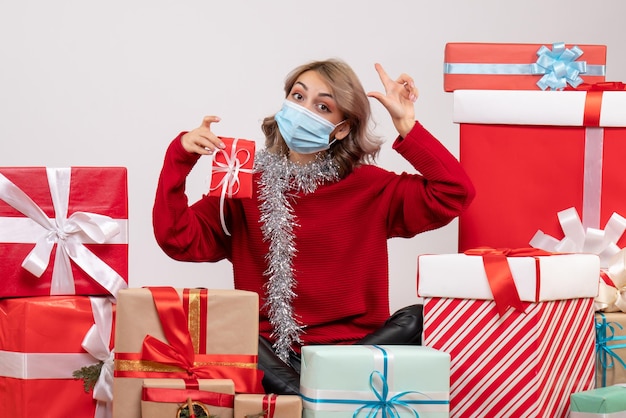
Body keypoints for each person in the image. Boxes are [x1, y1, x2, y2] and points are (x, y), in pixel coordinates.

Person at [152, 58, 475, 394]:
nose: (304, 110)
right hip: (269, 360)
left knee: (421, 316)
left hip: (353, 355)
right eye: (298, 97)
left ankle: (311, 396)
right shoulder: (246, 183)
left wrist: (407, 124)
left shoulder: (372, 187)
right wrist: (180, 156)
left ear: (342, 128)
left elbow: (455, 193)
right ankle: (314, 397)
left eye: (323, 106)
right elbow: (178, 240)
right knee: (213, 316)